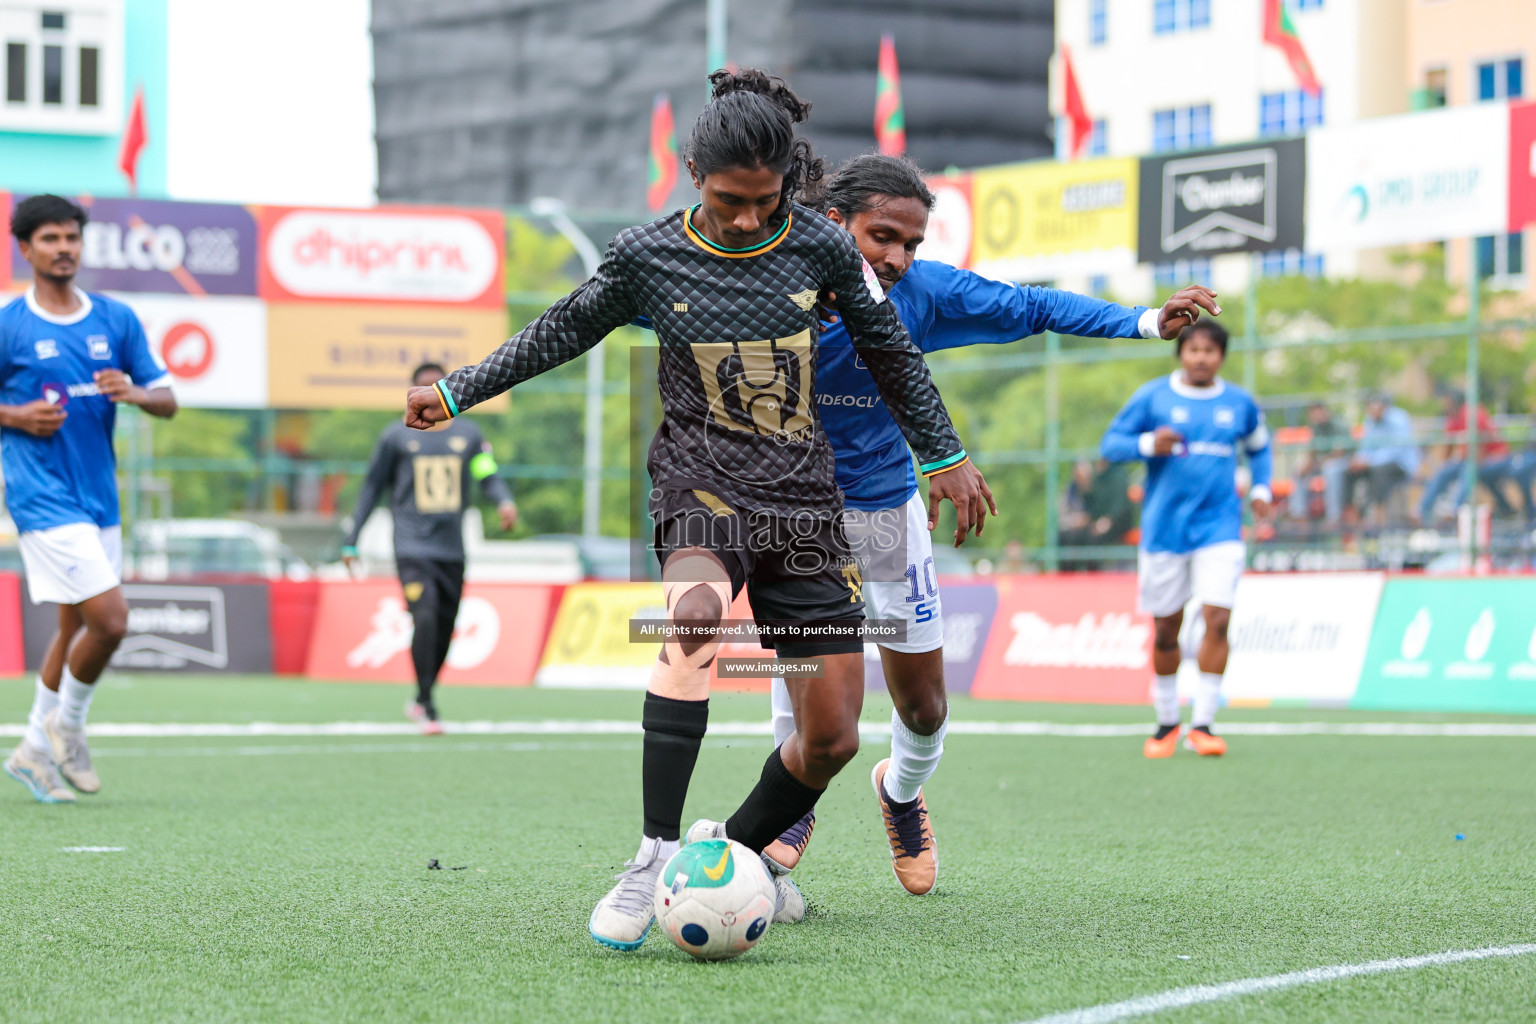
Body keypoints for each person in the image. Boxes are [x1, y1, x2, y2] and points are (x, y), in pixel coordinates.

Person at [401, 71, 991, 948]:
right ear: (691, 175)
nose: (749, 219)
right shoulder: (648, 255)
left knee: (830, 737)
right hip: (700, 486)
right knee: (693, 624)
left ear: (789, 185)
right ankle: (650, 861)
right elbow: (560, 329)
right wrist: (457, 391)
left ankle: (732, 858)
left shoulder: (823, 253)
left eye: (765, 201)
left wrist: (943, 454)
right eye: (729, 200)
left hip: (802, 505)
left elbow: (894, 352)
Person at [756, 152, 1217, 895]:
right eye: (883, 237)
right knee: (804, 672)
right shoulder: (766, 284)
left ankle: (901, 793)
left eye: (912, 243)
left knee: (924, 706)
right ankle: (791, 806)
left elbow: (1030, 306)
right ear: (834, 223)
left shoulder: (925, 294)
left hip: (882, 511)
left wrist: (1141, 320)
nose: (899, 258)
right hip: (794, 512)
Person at [1, 194, 178, 803]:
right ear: (25, 249)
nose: (64, 248)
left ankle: (31, 750)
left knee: (76, 623)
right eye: (49, 238)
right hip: (41, 497)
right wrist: (16, 416)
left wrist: (132, 392)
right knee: (112, 619)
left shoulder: (115, 319)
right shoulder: (9, 325)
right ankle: (69, 727)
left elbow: (168, 399)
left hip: (98, 496)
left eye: (72, 237)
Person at [1101, 321, 1272, 759]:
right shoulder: (1153, 396)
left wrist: (1261, 489)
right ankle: (1165, 723)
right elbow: (1110, 445)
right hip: (1164, 531)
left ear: (1221, 357)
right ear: (1181, 353)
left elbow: (1260, 448)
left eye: (1209, 351)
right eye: (1193, 349)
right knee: (1165, 630)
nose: (1200, 357)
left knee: (1217, 620)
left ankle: (1204, 724)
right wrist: (1146, 443)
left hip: (1220, 528)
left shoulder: (1239, 403)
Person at [340, 362, 517, 734]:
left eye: (436, 386)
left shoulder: (469, 435)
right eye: (422, 387)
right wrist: (351, 538)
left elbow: (487, 471)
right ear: (411, 393)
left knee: (443, 624)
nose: (428, 393)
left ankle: (422, 696)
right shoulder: (396, 437)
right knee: (424, 614)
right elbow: (372, 488)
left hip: (451, 548)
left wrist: (503, 500)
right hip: (411, 545)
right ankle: (428, 704)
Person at [1416, 390, 1514, 523]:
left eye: (1447, 402)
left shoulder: (1472, 413)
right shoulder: (1452, 417)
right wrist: (1446, 464)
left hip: (1496, 458)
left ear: (1455, 402)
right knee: (1444, 471)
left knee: (1468, 470)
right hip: (1473, 459)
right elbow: (1449, 446)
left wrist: (1462, 458)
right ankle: (1422, 510)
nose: (1444, 405)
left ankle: (1454, 510)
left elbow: (1479, 448)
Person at [1347, 393, 1419, 527]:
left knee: (1379, 471)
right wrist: (1359, 460)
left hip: (1401, 465)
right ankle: (1353, 517)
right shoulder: (1370, 420)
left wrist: (1370, 461)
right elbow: (1366, 446)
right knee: (1350, 471)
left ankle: (1379, 518)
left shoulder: (1398, 419)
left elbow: (1397, 450)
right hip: (1375, 464)